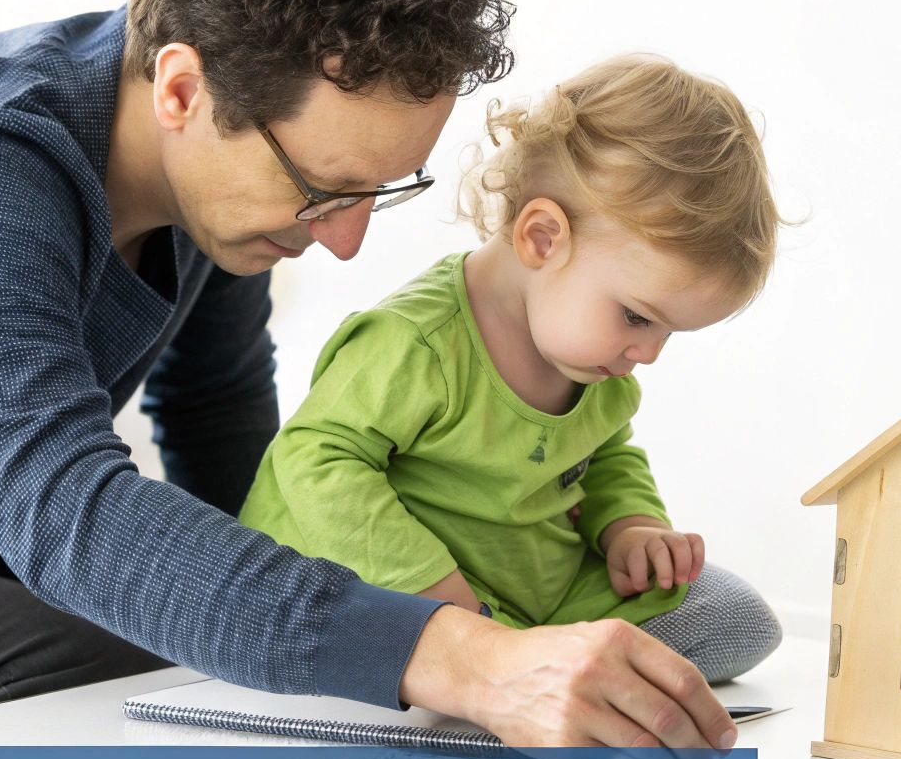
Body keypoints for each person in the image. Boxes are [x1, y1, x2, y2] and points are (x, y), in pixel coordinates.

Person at [0, 0, 737, 759]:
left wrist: (393, 622)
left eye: (379, 191)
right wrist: (461, 658)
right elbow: (66, 515)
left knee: (255, 678)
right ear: (180, 85)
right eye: (321, 189)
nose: (344, 241)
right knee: (116, 683)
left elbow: (217, 425)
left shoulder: (209, 201)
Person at [239, 55, 784, 684]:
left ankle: (536, 667)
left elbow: (605, 454)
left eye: (668, 332)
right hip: (385, 591)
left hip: (530, 596)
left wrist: (632, 526)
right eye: (638, 317)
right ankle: (486, 675)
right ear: (544, 239)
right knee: (336, 639)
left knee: (737, 618)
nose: (648, 354)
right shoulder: (418, 343)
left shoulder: (593, 361)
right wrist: (436, 597)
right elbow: (314, 458)